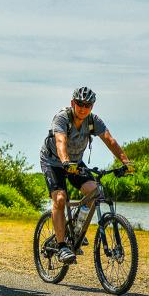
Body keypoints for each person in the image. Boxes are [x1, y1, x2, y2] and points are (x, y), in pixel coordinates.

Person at [40, 87, 133, 264]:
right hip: (53, 161)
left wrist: (126, 163)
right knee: (60, 199)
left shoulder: (93, 121)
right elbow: (61, 142)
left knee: (94, 191)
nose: (83, 108)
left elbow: (109, 140)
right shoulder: (62, 118)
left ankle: (76, 229)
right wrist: (66, 162)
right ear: (73, 103)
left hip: (75, 162)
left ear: (92, 107)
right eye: (80, 104)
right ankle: (61, 247)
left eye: (88, 105)